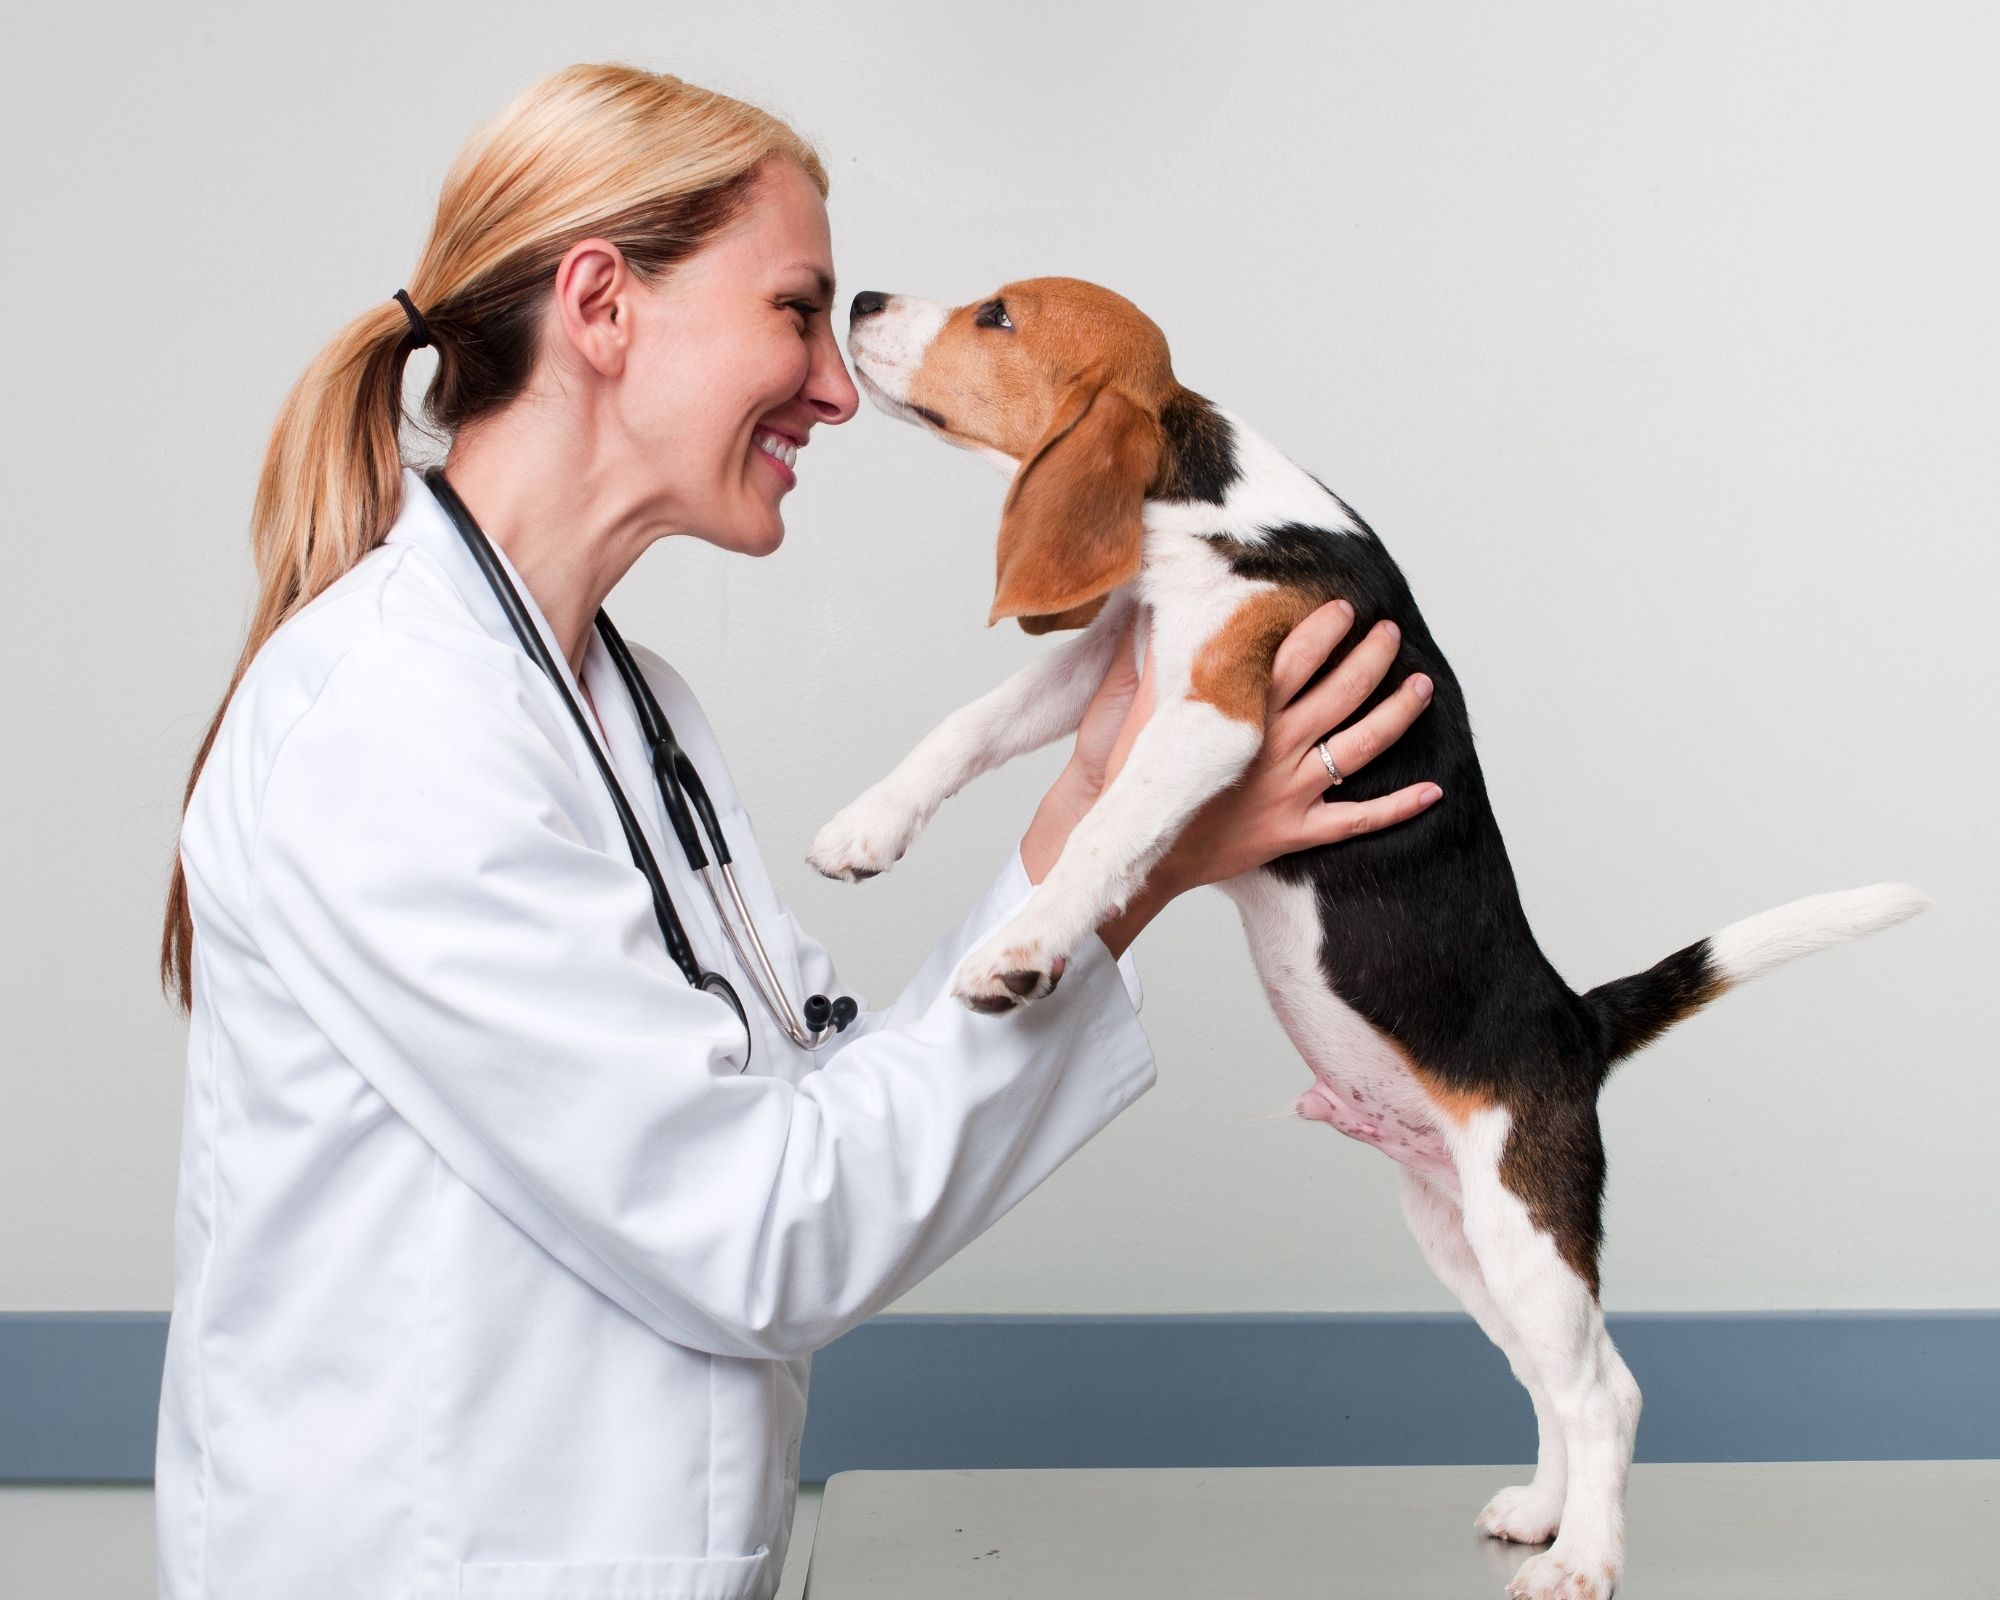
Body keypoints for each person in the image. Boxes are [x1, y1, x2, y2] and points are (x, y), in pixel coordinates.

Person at [154, 63, 1439, 1600]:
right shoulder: (388, 732)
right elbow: (765, 1231)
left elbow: (804, 1124)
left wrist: (1108, 812)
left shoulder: (639, 712)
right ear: (602, 307)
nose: (841, 389)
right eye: (795, 310)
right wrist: (1126, 861)